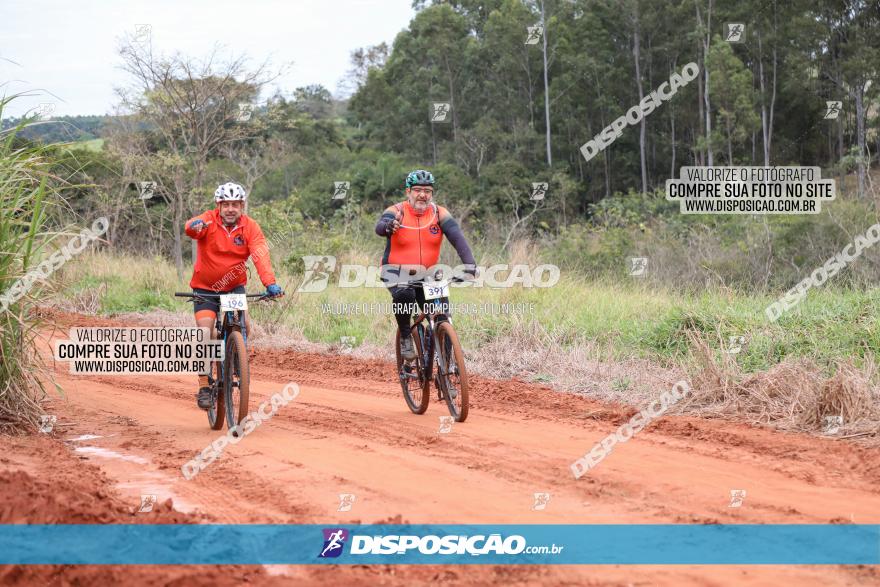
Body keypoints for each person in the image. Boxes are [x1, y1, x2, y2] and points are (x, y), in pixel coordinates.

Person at [185, 182, 284, 409]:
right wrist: (194, 225)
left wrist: (270, 283)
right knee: (204, 332)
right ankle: (203, 385)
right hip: (205, 288)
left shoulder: (250, 227)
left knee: (244, 324)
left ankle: (237, 359)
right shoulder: (208, 220)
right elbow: (190, 229)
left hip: (233, 287)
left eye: (235, 205)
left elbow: (260, 255)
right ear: (218, 205)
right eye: (226, 204)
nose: (230, 209)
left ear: (242, 206)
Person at [375, 169, 476, 360]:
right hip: (395, 271)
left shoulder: (439, 213)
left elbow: (457, 238)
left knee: (442, 316)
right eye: (418, 190)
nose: (423, 194)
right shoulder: (396, 211)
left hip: (427, 274)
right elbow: (381, 226)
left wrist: (470, 265)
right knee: (405, 293)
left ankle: (445, 369)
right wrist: (389, 227)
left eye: (428, 190)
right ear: (408, 192)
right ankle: (406, 336)